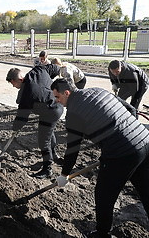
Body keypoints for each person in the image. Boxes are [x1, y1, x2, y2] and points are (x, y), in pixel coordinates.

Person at [51, 78, 149, 238]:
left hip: (122, 152)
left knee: (103, 194)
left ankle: (102, 233)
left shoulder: (73, 114)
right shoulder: (98, 91)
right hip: (145, 139)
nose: (57, 101)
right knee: (146, 190)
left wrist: (64, 175)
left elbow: (72, 150)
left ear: (66, 93)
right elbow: (131, 109)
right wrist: (131, 133)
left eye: (58, 97)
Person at [6, 65, 63, 178]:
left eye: (13, 84)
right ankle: (54, 155)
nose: (14, 86)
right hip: (59, 104)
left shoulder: (26, 93)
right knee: (48, 132)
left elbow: (22, 116)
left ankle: (47, 169)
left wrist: (15, 128)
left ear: (18, 80)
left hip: (51, 111)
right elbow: (55, 69)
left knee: (43, 140)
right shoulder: (38, 70)